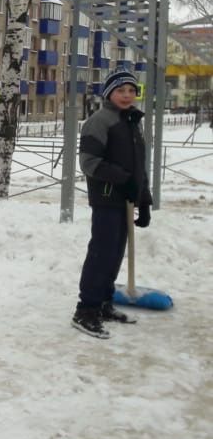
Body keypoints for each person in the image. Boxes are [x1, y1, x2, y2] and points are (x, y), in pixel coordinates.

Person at [73, 70, 151, 339]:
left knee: (116, 253)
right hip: (107, 197)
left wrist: (145, 199)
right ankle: (86, 310)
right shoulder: (99, 121)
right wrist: (124, 180)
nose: (127, 95)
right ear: (109, 94)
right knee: (102, 253)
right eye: (121, 90)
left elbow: (140, 166)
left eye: (132, 90)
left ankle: (104, 303)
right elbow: (89, 163)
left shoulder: (131, 122)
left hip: (126, 199)